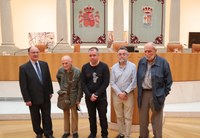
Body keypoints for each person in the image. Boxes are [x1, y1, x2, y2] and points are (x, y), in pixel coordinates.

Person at [137, 42, 173, 138]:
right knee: (143, 119)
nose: (147, 53)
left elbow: (169, 81)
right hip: (143, 93)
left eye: (150, 51)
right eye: (145, 51)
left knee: (157, 119)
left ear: (155, 51)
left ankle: (157, 136)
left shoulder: (163, 62)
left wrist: (163, 93)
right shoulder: (141, 62)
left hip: (157, 93)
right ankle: (143, 136)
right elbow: (138, 78)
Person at [19, 46, 54, 138]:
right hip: (33, 98)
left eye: (37, 52)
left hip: (46, 96)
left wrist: (50, 91)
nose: (35, 54)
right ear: (29, 54)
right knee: (35, 117)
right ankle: (38, 132)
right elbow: (23, 85)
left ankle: (48, 133)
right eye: (33, 52)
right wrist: (27, 99)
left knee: (47, 115)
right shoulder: (24, 68)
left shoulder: (44, 64)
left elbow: (48, 79)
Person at [81, 47, 110, 138]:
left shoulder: (104, 67)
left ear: (98, 55)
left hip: (101, 97)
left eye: (94, 55)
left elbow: (106, 82)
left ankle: (104, 134)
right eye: (90, 55)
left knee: (102, 117)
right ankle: (93, 133)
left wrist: (96, 94)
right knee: (91, 117)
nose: (92, 57)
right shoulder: (85, 67)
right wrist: (90, 95)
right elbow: (83, 83)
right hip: (89, 98)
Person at [110, 46, 137, 138]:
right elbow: (112, 82)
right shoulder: (114, 67)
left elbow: (134, 82)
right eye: (120, 54)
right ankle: (121, 133)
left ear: (128, 55)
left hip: (128, 95)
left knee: (128, 117)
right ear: (118, 55)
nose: (122, 56)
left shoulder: (133, 66)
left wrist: (125, 93)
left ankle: (128, 135)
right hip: (116, 95)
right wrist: (119, 93)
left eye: (124, 54)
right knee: (119, 116)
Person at [56, 55, 82, 138]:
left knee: (74, 114)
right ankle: (66, 131)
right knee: (65, 113)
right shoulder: (60, 70)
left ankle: (75, 132)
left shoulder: (77, 71)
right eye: (63, 63)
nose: (64, 65)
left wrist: (78, 99)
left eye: (66, 63)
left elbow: (80, 87)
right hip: (64, 95)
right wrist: (63, 88)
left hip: (74, 95)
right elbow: (58, 78)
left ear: (71, 62)